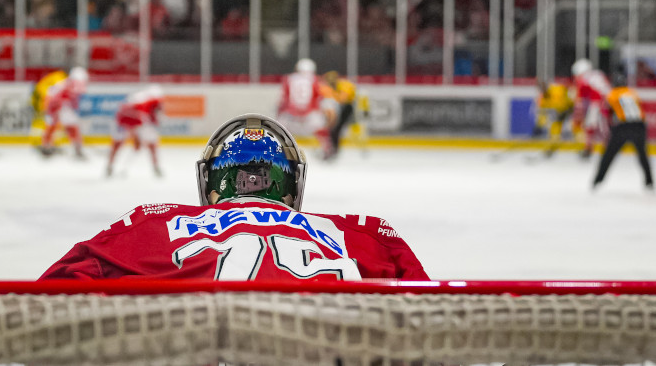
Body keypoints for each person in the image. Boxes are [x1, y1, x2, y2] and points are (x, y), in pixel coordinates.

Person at [40, 114, 428, 281]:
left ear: (212, 182)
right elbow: (435, 323)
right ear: (291, 184)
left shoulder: (153, 221)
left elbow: (54, 290)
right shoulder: (366, 233)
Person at [592, 74, 655, 191]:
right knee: (643, 155)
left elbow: (606, 114)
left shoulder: (612, 95)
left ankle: (597, 180)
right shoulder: (632, 93)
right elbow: (640, 108)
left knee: (608, 155)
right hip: (639, 125)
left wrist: (609, 132)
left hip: (623, 126)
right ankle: (649, 181)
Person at [278, 58, 333, 158]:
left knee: (280, 129)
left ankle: (281, 150)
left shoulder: (289, 79)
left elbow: (284, 99)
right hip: (310, 114)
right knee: (321, 127)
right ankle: (327, 149)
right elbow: (319, 97)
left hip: (292, 114)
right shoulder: (315, 79)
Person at [106, 85, 165, 177]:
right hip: (133, 119)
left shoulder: (141, 97)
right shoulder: (152, 100)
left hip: (123, 119)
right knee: (151, 144)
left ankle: (110, 166)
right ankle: (155, 167)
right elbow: (152, 116)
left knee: (118, 145)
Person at [40, 67, 88, 158]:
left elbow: (74, 100)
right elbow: (53, 99)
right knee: (53, 127)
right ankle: (46, 146)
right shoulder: (64, 86)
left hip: (61, 107)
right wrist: (56, 111)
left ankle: (77, 147)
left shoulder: (68, 85)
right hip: (55, 107)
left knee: (70, 127)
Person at [571, 59, 612, 159]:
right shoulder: (599, 74)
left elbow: (580, 99)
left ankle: (590, 149)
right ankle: (603, 149)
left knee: (591, 127)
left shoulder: (583, 78)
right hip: (607, 102)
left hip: (597, 103)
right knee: (602, 127)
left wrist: (577, 113)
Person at [322, 70, 359, 159]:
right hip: (341, 108)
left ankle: (334, 149)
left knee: (336, 128)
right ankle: (333, 148)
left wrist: (330, 94)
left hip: (347, 108)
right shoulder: (335, 86)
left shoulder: (344, 85)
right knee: (333, 129)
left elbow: (343, 99)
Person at [533, 80, 574, 157]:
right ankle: (553, 147)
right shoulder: (542, 98)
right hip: (558, 114)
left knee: (574, 128)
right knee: (554, 129)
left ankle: (580, 148)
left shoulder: (557, 89)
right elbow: (542, 112)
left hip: (569, 111)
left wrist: (569, 107)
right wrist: (540, 123)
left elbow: (570, 95)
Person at [31, 68, 68, 145]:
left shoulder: (57, 76)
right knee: (45, 121)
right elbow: (55, 93)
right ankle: (43, 141)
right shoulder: (61, 78)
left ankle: (41, 141)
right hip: (42, 98)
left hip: (41, 97)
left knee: (44, 121)